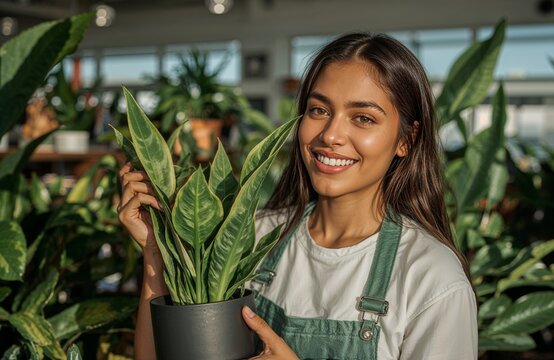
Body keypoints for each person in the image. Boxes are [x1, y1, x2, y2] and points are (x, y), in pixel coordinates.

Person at [118, 32, 477, 360]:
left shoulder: (432, 278)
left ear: (406, 140)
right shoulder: (251, 237)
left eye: (363, 118)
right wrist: (158, 253)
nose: (331, 135)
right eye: (319, 110)